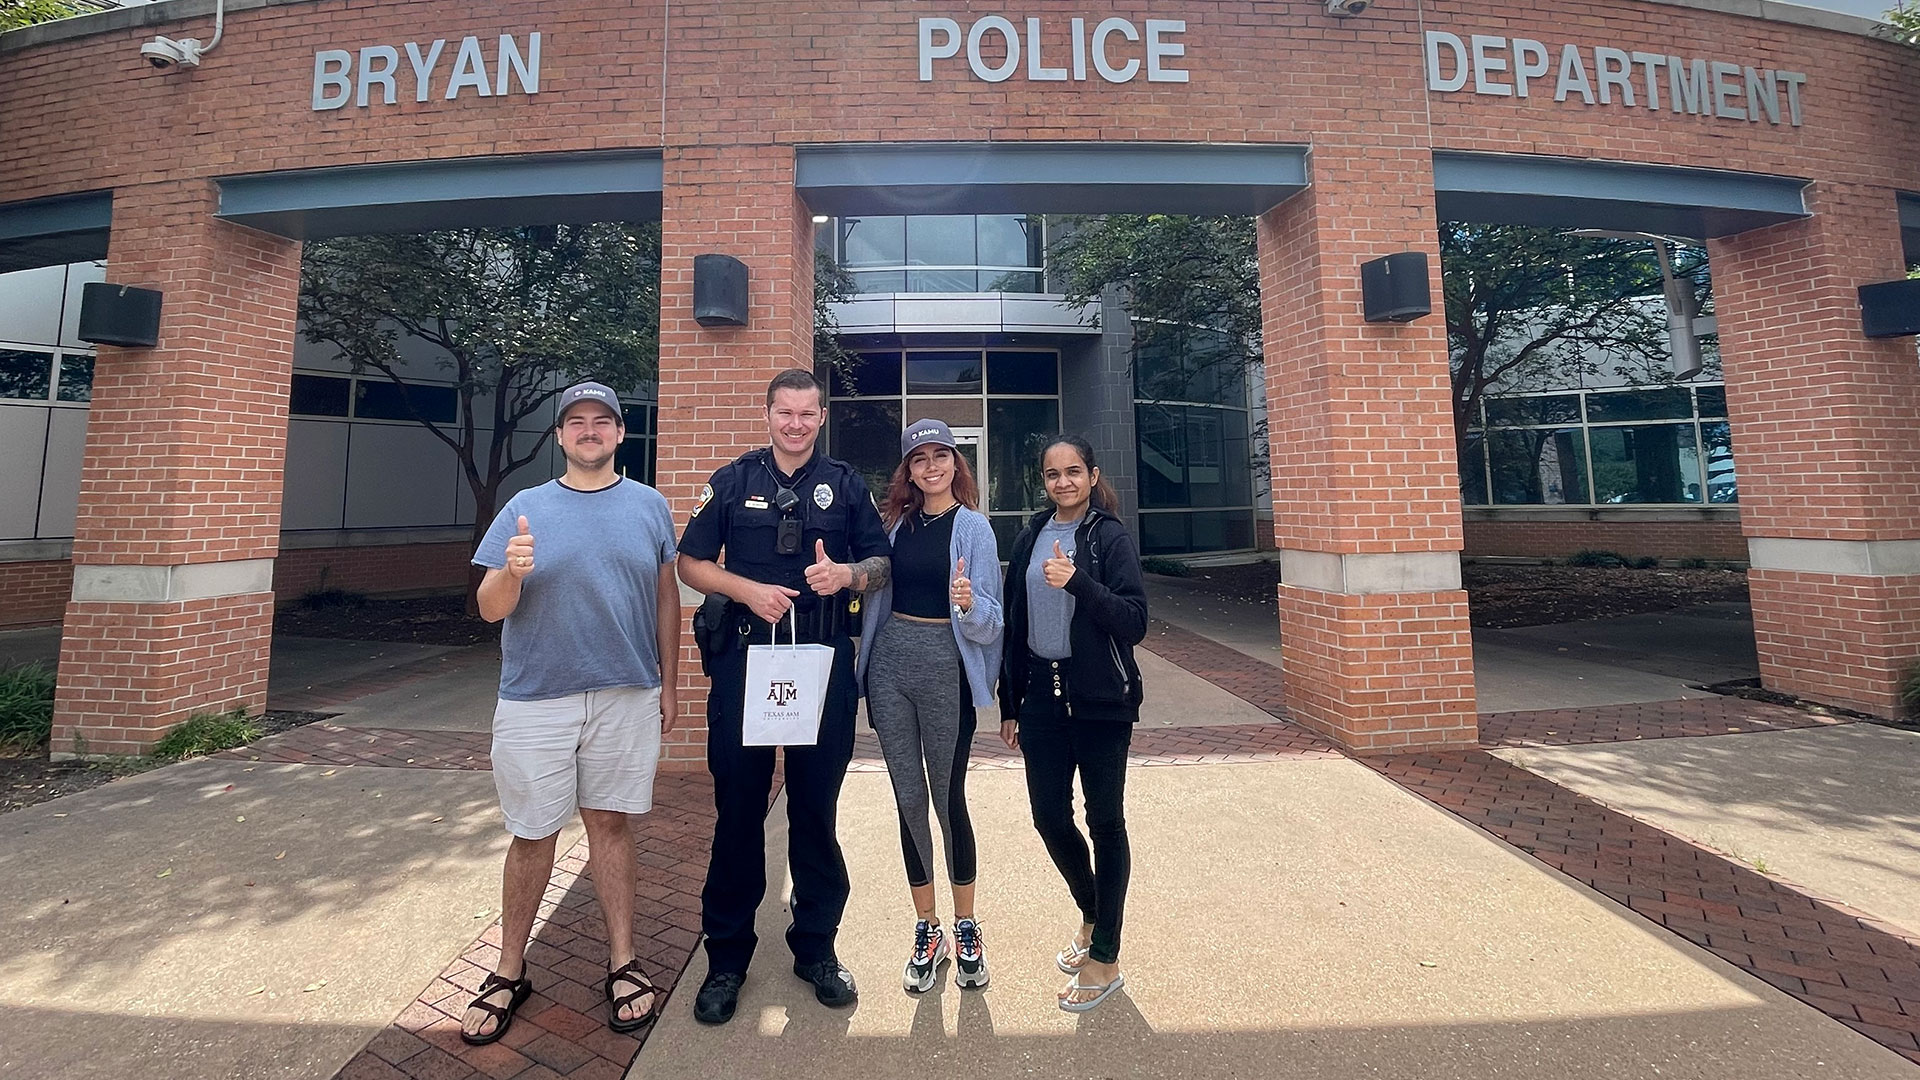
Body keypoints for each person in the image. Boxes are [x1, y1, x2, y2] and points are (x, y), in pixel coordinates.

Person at [462, 381, 681, 1045]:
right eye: (576, 422)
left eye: (602, 422)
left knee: (611, 825)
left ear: (620, 434)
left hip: (626, 692)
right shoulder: (525, 508)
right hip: (538, 698)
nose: (589, 431)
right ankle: (507, 970)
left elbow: (665, 599)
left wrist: (669, 685)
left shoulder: (650, 506)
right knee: (532, 833)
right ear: (559, 437)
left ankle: (623, 961)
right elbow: (488, 608)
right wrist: (513, 572)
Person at [677, 368, 892, 1025]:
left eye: (806, 414)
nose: (795, 424)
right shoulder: (735, 479)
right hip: (746, 663)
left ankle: (816, 948)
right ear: (767, 414)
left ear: (820, 416)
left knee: (815, 810)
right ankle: (728, 958)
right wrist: (746, 591)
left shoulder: (849, 485)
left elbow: (883, 565)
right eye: (784, 413)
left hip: (822, 665)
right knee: (738, 810)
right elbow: (690, 561)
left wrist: (847, 574)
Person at [998, 434, 1148, 1013]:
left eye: (1073, 472)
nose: (1063, 482)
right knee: (1048, 818)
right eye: (1053, 474)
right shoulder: (1032, 533)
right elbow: (1016, 621)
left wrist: (1079, 582)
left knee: (1105, 822)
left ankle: (1105, 955)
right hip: (1041, 701)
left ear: (1092, 475)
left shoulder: (1108, 536)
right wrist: (1010, 702)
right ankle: (1091, 912)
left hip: (1102, 701)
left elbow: (1133, 621)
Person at [854, 419, 1005, 994]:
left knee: (946, 796)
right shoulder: (893, 525)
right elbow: (871, 585)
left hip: (947, 668)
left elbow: (992, 624)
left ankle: (967, 924)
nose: (932, 466)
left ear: (955, 465)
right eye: (920, 458)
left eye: (942, 455)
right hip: (891, 663)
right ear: (909, 471)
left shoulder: (976, 529)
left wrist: (969, 606)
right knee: (907, 797)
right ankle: (929, 927)